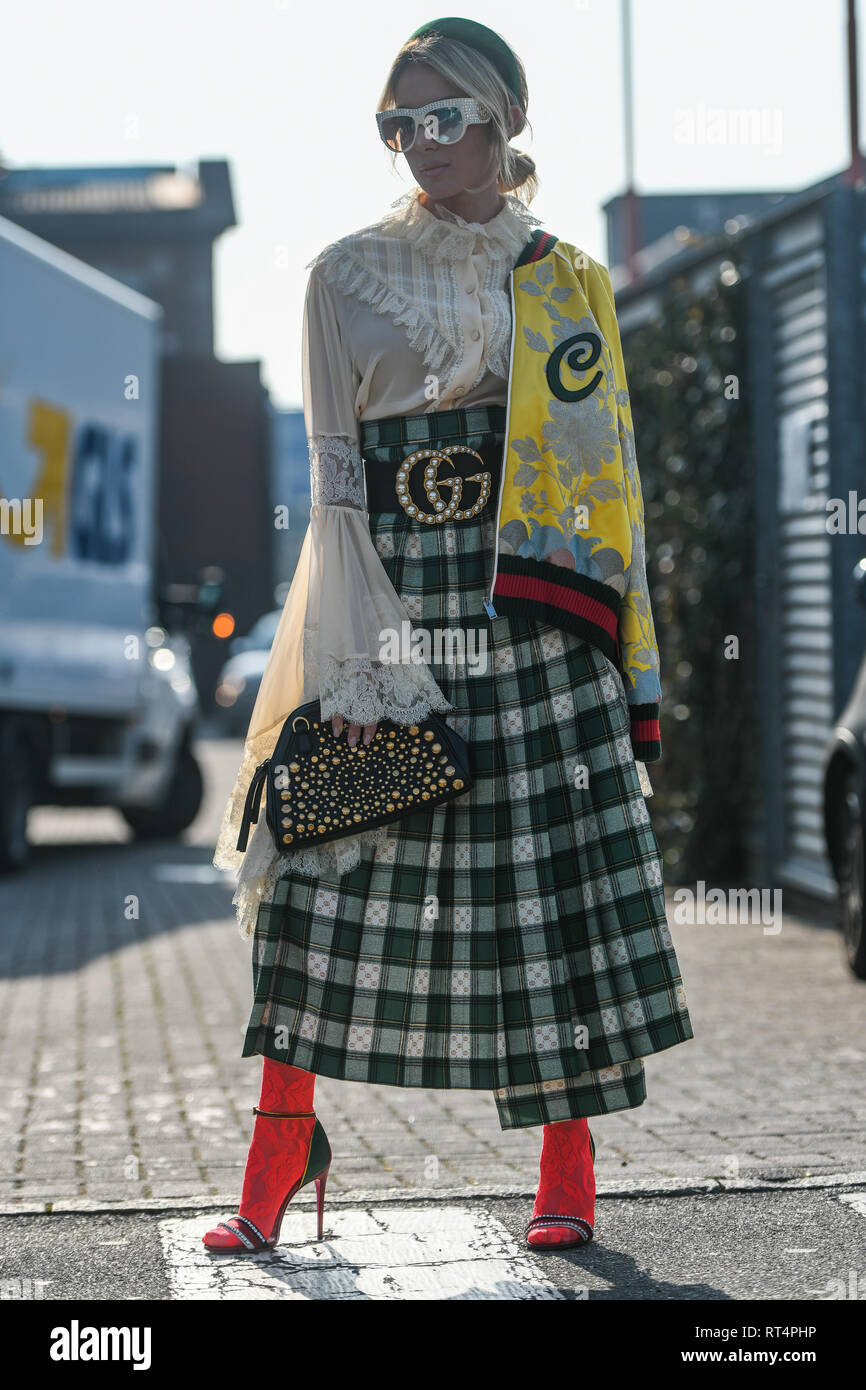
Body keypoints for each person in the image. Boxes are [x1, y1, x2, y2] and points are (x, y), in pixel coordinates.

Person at [205, 15, 694, 1256]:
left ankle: (566, 1165)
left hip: (537, 609)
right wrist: (358, 653)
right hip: (394, 597)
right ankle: (274, 1150)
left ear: (503, 121)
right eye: (398, 123)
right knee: (322, 866)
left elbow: (610, 485)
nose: (421, 144)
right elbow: (332, 486)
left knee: (553, 888)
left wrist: (622, 656)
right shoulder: (342, 274)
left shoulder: (569, 279)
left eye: (444, 118)